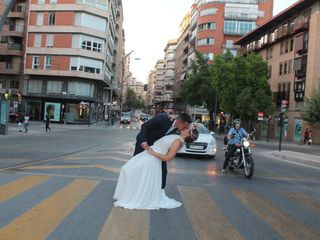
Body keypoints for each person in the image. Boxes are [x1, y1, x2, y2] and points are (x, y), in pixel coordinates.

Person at [113, 126, 199, 209]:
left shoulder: (178, 142)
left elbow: (168, 158)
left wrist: (152, 153)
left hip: (152, 157)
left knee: (129, 170)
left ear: (188, 135)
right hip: (148, 153)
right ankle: (129, 195)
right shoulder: (177, 136)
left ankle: (133, 197)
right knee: (128, 169)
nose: (185, 129)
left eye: (187, 129)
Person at [133, 111, 192, 190]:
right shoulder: (163, 118)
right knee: (137, 166)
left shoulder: (178, 130)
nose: (186, 128)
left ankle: (160, 191)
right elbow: (144, 126)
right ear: (180, 122)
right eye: (185, 126)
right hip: (144, 144)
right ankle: (135, 187)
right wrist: (144, 142)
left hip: (158, 150)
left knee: (162, 171)